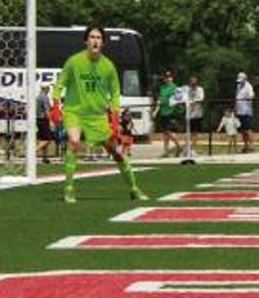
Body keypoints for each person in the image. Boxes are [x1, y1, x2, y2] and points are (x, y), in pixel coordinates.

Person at [52, 25, 144, 204]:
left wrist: (115, 121)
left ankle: (134, 189)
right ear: (86, 41)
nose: (95, 40)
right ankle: (69, 189)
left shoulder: (108, 66)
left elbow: (115, 94)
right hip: (74, 112)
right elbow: (59, 85)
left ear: (103, 42)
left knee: (116, 152)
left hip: (97, 116)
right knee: (74, 141)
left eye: (99, 38)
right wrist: (56, 106)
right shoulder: (73, 62)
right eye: (92, 37)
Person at [152, 71, 181, 157]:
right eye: (166, 77)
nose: (168, 79)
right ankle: (166, 151)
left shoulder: (174, 87)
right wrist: (155, 111)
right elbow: (159, 100)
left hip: (171, 112)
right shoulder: (162, 87)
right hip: (163, 112)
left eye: (169, 77)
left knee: (168, 131)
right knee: (164, 132)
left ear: (172, 78)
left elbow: (177, 99)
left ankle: (178, 146)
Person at [184, 75, 205, 161]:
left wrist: (193, 101)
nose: (193, 85)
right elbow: (183, 98)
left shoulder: (200, 89)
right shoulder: (186, 90)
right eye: (192, 83)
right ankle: (187, 148)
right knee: (188, 131)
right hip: (189, 114)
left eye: (194, 83)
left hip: (197, 113)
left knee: (195, 132)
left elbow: (201, 99)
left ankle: (193, 149)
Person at [234, 72, 255, 153]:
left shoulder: (248, 86)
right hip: (239, 110)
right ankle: (245, 146)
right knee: (242, 130)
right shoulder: (238, 86)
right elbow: (236, 97)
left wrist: (247, 98)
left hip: (246, 111)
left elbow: (252, 95)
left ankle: (251, 146)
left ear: (245, 79)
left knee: (248, 129)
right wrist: (235, 108)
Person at [36, 84, 54, 163]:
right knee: (48, 139)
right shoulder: (44, 97)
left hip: (38, 119)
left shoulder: (38, 96)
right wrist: (50, 121)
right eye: (48, 88)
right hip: (43, 119)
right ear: (46, 88)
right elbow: (47, 110)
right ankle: (32, 152)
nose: (49, 90)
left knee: (43, 139)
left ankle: (44, 157)